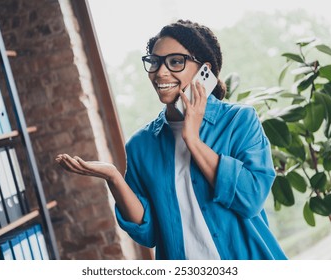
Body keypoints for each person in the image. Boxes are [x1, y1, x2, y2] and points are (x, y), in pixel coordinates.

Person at [56, 19, 287, 260]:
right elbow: (149, 234)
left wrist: (193, 140)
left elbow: (250, 198)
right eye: (154, 62)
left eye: (175, 62)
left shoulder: (239, 121)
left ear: (204, 71)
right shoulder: (141, 145)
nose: (160, 72)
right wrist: (113, 177)